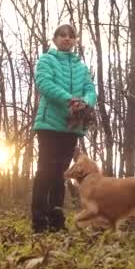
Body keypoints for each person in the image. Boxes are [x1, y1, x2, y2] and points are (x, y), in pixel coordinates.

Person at [31, 24, 97, 233]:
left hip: (71, 128)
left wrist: (85, 102)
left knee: (61, 173)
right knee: (45, 172)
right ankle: (39, 222)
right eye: (62, 36)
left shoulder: (81, 67)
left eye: (71, 36)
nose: (67, 39)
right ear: (55, 39)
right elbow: (44, 84)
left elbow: (90, 89)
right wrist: (70, 100)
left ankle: (56, 222)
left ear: (75, 40)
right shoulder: (46, 60)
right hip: (49, 125)